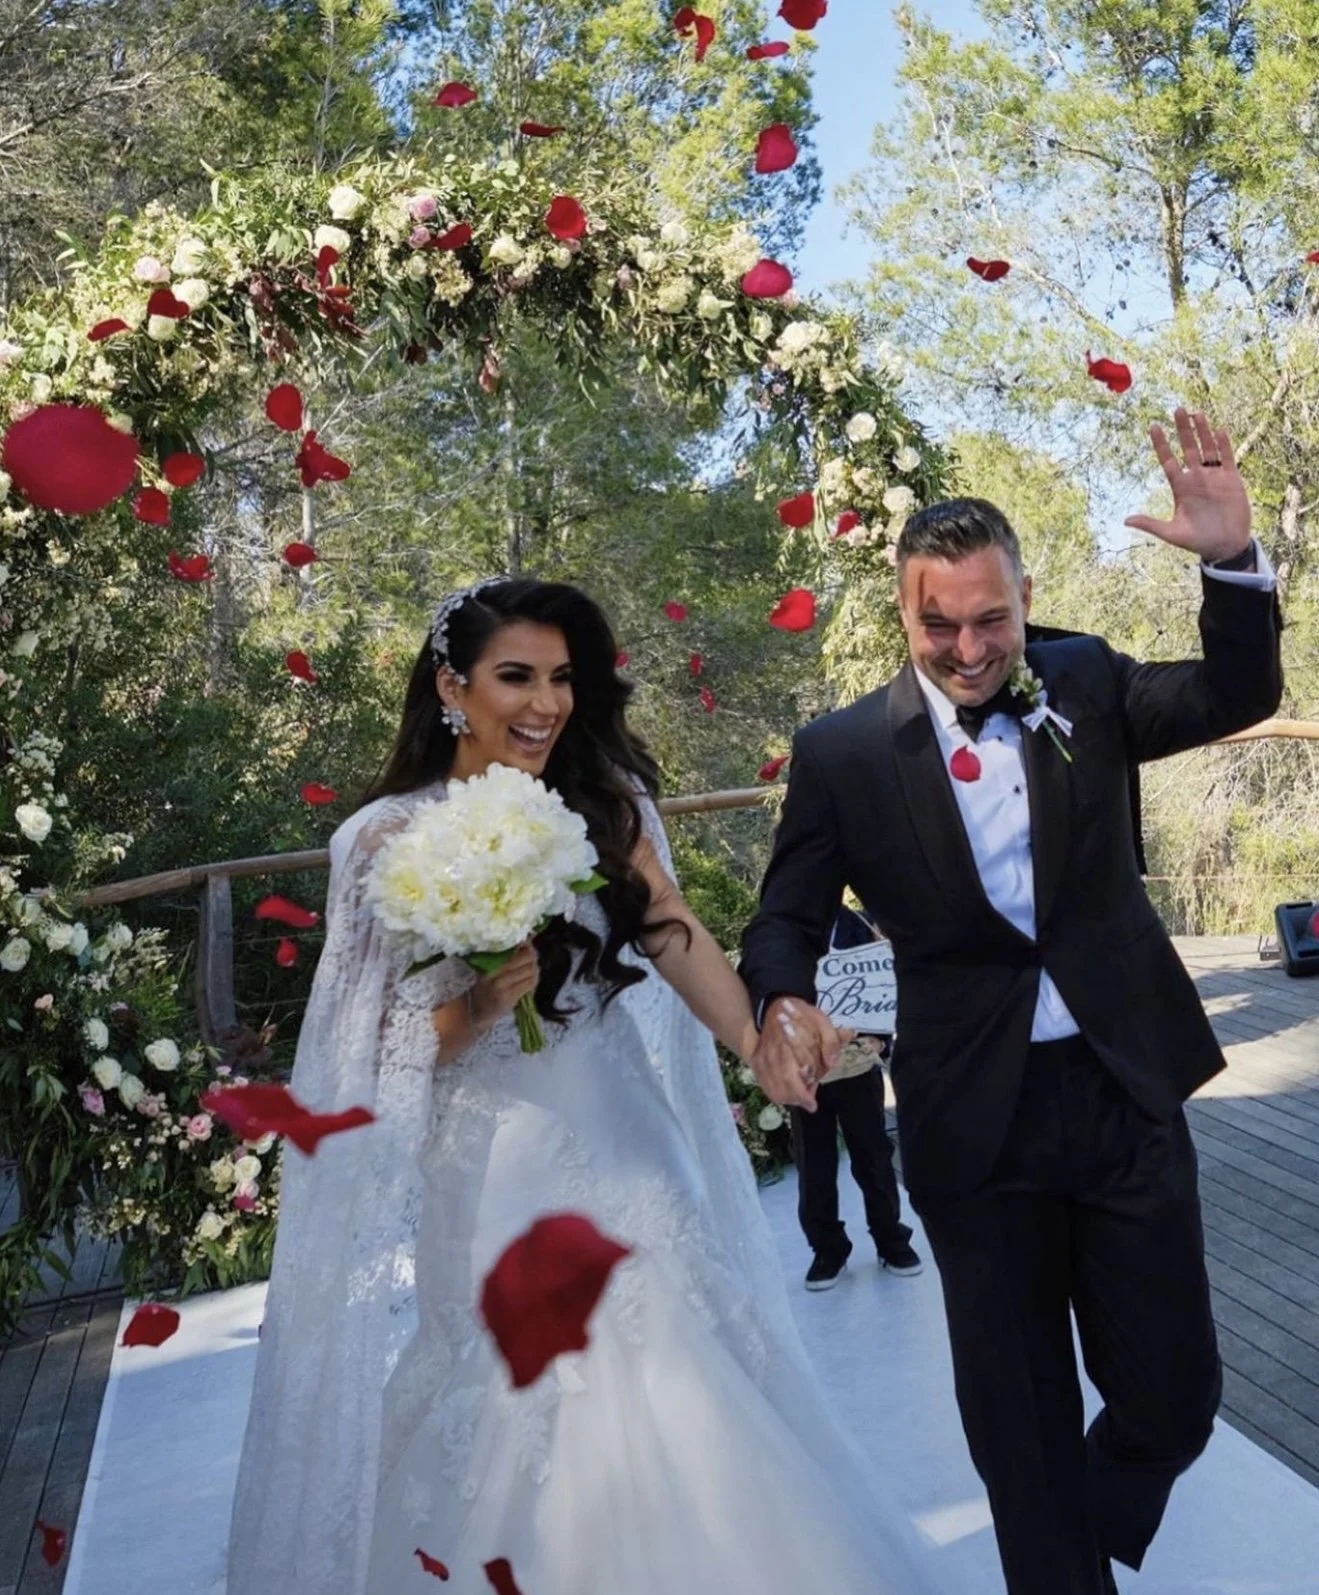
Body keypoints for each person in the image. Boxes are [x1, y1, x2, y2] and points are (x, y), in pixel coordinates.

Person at [227, 578, 945, 1595]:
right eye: (514, 676)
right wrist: (478, 1004)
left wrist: (753, 1037)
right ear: (450, 684)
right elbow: (365, 1054)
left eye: (561, 678)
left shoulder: (603, 801)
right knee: (511, 1397)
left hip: (624, 1141)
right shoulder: (381, 841)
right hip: (482, 1177)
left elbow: (671, 929)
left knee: (673, 1362)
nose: (545, 703)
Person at [741, 410, 1283, 1595]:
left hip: (1118, 1086)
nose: (968, 646)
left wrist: (1227, 563)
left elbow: (1237, 691)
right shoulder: (839, 752)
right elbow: (780, 914)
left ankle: (1059, 1529)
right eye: (937, 622)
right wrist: (777, 1002)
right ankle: (1050, 1555)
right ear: (902, 609)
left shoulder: (1081, 676)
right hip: (966, 1117)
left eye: (990, 618)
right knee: (1016, 1420)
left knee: (1173, 1392)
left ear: (1021, 593)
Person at [792, 902, 922, 1289]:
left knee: (873, 1157)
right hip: (806, 1070)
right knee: (813, 1164)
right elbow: (762, 986)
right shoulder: (782, 927)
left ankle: (891, 1240)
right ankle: (828, 1251)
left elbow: (883, 982)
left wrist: (880, 1040)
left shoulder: (859, 925)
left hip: (857, 1064)